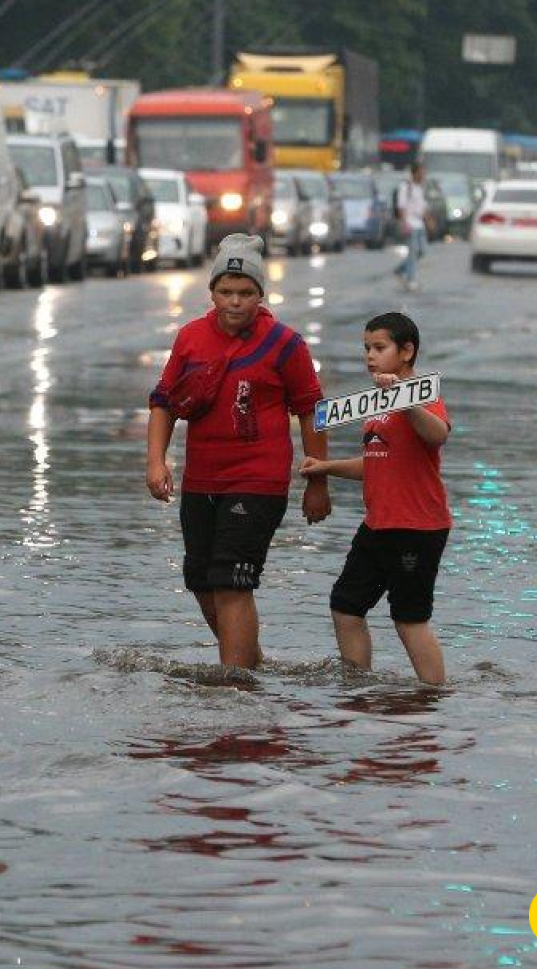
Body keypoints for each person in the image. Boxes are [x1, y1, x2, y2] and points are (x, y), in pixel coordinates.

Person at [148, 233, 329, 669]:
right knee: (202, 581)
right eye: (225, 292)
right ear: (211, 293)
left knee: (233, 582)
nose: (234, 302)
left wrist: (317, 481)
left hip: (258, 480)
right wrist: (156, 461)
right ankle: (248, 661)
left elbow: (312, 410)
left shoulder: (286, 344)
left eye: (245, 293)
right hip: (202, 479)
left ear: (260, 295)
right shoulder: (190, 338)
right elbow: (164, 402)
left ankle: (234, 682)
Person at [299, 312, 451, 685]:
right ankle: (358, 687)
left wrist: (405, 403)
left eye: (379, 348)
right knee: (346, 607)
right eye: (366, 348)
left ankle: (434, 696)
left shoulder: (422, 395)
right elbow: (376, 463)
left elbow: (438, 435)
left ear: (407, 351)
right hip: (378, 524)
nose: (370, 356)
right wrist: (326, 466)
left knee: (409, 619)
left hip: (417, 526)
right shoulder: (377, 404)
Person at [392, 162, 428, 292]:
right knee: (412, 253)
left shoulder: (420, 187)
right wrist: (404, 222)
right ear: (415, 172)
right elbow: (401, 206)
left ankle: (400, 270)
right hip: (410, 223)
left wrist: (428, 219)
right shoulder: (405, 187)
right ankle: (410, 280)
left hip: (420, 223)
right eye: (421, 171)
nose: (424, 174)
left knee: (422, 251)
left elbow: (422, 205)